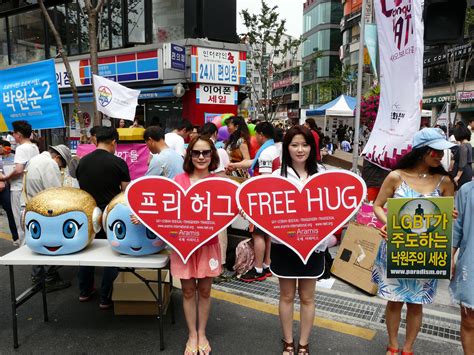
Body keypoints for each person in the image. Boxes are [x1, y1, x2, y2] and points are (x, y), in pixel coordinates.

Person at [372, 127, 455, 355]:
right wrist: (386, 223)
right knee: (394, 301)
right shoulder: (396, 176)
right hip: (396, 248)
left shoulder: (444, 182)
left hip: (426, 252)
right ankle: (393, 346)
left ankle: (408, 348)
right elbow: (377, 206)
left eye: (441, 152)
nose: (439, 156)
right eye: (435, 151)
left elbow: (447, 217)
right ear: (421, 151)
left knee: (416, 303)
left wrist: (450, 215)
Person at [271, 126, 326, 355]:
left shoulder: (323, 173)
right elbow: (267, 210)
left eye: (304, 144)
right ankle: (288, 342)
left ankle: (303, 344)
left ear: (312, 148)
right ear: (287, 148)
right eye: (294, 145)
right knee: (286, 295)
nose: (300, 149)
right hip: (284, 244)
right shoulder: (277, 176)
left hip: (313, 245)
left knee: (307, 297)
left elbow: (331, 210)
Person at [171, 135, 221, 355]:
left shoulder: (220, 183)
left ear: (212, 155)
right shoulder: (178, 180)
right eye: (196, 152)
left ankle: (202, 332)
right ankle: (192, 334)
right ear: (189, 155)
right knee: (189, 291)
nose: (201, 157)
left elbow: (228, 210)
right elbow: (165, 210)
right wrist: (143, 216)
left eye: (206, 152)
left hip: (208, 245)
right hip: (183, 246)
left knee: (205, 291)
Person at [76, 127, 131, 309]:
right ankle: (106, 297)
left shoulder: (82, 162)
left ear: (95, 140)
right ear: (114, 141)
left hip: (88, 214)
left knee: (87, 252)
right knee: (112, 254)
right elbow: (126, 193)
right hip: (110, 215)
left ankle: (84, 291)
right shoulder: (118, 163)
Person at [230, 122, 281, 283]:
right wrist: (235, 165)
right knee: (267, 233)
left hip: (262, 199)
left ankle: (257, 269)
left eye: (256, 135)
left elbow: (263, 180)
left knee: (258, 233)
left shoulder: (266, 152)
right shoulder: (274, 149)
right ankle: (266, 265)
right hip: (271, 199)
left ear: (260, 134)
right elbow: (253, 163)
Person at [25, 145, 74, 292]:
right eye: (62, 166)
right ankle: (49, 278)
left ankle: (37, 277)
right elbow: (55, 192)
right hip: (45, 209)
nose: (61, 169)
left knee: (39, 242)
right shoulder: (50, 163)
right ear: (58, 158)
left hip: (33, 205)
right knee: (50, 242)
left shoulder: (35, 159)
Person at [0, 120, 39, 246]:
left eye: (14, 133)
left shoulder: (21, 148)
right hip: (31, 188)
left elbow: (19, 169)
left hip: (18, 188)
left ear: (19, 134)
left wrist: (6, 177)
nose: (13, 135)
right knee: (31, 220)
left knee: (20, 222)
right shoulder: (34, 147)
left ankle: (23, 249)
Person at [450, 181, 474, 355]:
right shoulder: (467, 190)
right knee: (469, 320)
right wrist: (450, 255)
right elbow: (456, 228)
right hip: (470, 262)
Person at [0, 140, 19, 245]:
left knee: (11, 211)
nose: (5, 149)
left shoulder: (14, 157)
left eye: (7, 147)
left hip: (9, 188)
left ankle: (16, 237)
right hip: (5, 186)